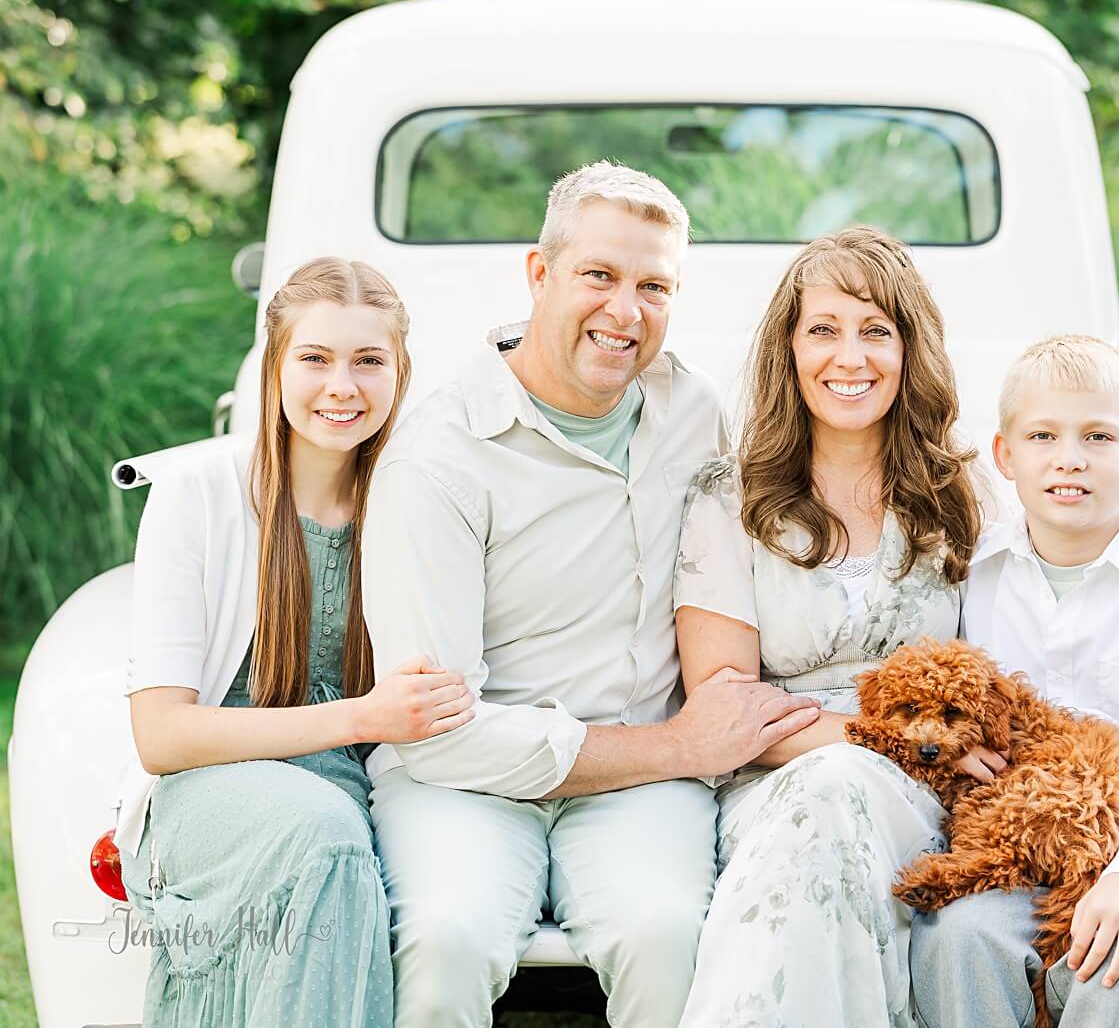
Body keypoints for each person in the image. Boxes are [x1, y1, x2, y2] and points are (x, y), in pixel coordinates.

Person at [358, 161, 820, 1028]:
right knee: (444, 942)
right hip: (466, 786)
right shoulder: (441, 457)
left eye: (655, 286)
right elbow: (437, 735)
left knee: (670, 935)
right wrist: (681, 747)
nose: (626, 312)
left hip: (641, 790)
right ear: (540, 273)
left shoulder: (692, 410)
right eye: (599, 276)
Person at [117, 257, 474, 1028]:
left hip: (369, 781)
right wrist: (364, 717)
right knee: (324, 839)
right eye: (314, 358)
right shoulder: (199, 494)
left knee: (429, 887)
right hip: (209, 787)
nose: (341, 386)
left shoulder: (418, 498)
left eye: (368, 361)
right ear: (274, 367)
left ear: (400, 372)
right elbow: (161, 734)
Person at [674, 225, 986, 1028]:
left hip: (933, 783)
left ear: (911, 349)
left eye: (876, 331)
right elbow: (725, 705)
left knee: (839, 790)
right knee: (828, 791)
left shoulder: (961, 494)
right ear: (789, 349)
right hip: (769, 783)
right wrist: (865, 739)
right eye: (824, 330)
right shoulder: (730, 497)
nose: (850, 358)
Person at [910, 334, 1119, 1027]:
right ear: (1006, 456)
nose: (1069, 457)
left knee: (1112, 957)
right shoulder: (973, 574)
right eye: (1043, 435)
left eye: (1097, 436)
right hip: (1011, 841)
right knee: (959, 936)